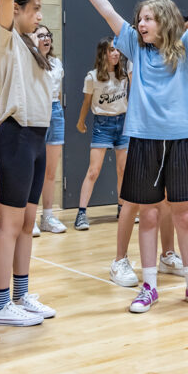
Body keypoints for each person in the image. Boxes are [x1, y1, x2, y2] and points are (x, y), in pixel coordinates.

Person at [64, 0, 188, 313]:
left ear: (165, 22)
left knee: (183, 215)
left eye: (148, 18)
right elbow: (108, 12)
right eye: (140, 18)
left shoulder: (187, 49)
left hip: (181, 141)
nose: (141, 23)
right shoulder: (134, 46)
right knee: (148, 215)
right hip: (143, 141)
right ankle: (149, 285)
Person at [0, 0, 57, 326]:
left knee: (28, 223)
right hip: (15, 137)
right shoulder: (5, 40)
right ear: (16, 12)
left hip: (37, 138)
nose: (40, 16)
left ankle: (20, 295)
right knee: (10, 225)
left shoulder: (29, 45)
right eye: (36, 9)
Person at [74, 38, 130, 231]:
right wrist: (81, 121)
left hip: (123, 124)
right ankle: (81, 213)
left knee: (123, 170)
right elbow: (86, 103)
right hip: (102, 125)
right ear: (103, 53)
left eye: (117, 50)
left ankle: (122, 208)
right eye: (111, 50)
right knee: (94, 170)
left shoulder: (124, 76)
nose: (116, 54)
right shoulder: (92, 77)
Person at [31, 25, 67, 233]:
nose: (46, 39)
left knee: (51, 170)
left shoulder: (56, 62)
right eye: (40, 35)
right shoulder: (30, 61)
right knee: (35, 169)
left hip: (54, 110)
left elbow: (58, 92)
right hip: (36, 111)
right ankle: (31, 217)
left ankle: (48, 216)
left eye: (48, 35)